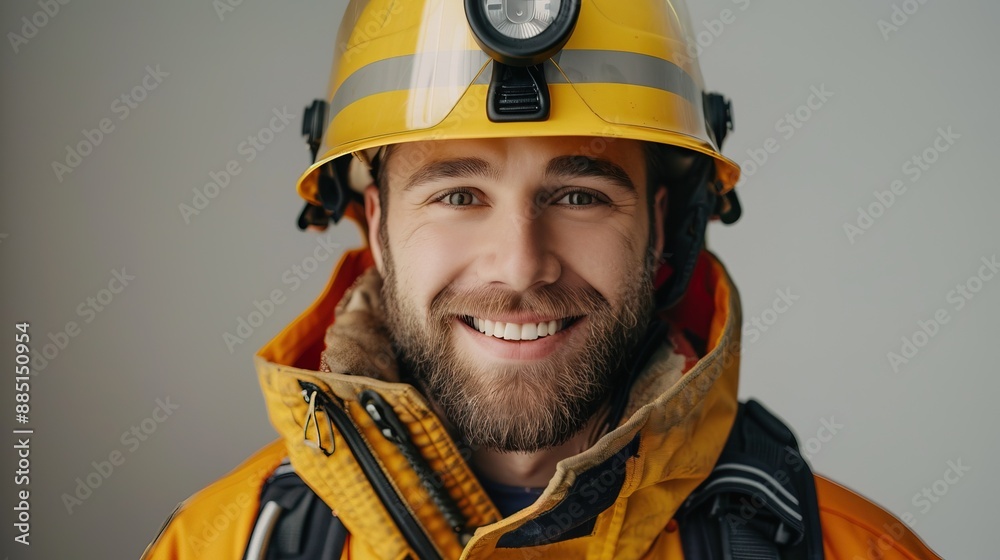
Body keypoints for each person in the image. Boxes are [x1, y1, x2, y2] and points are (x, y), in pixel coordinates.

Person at [143, 1, 941, 558]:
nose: (521, 264)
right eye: (459, 195)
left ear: (663, 225)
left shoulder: (858, 552)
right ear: (376, 225)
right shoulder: (217, 545)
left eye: (579, 195)